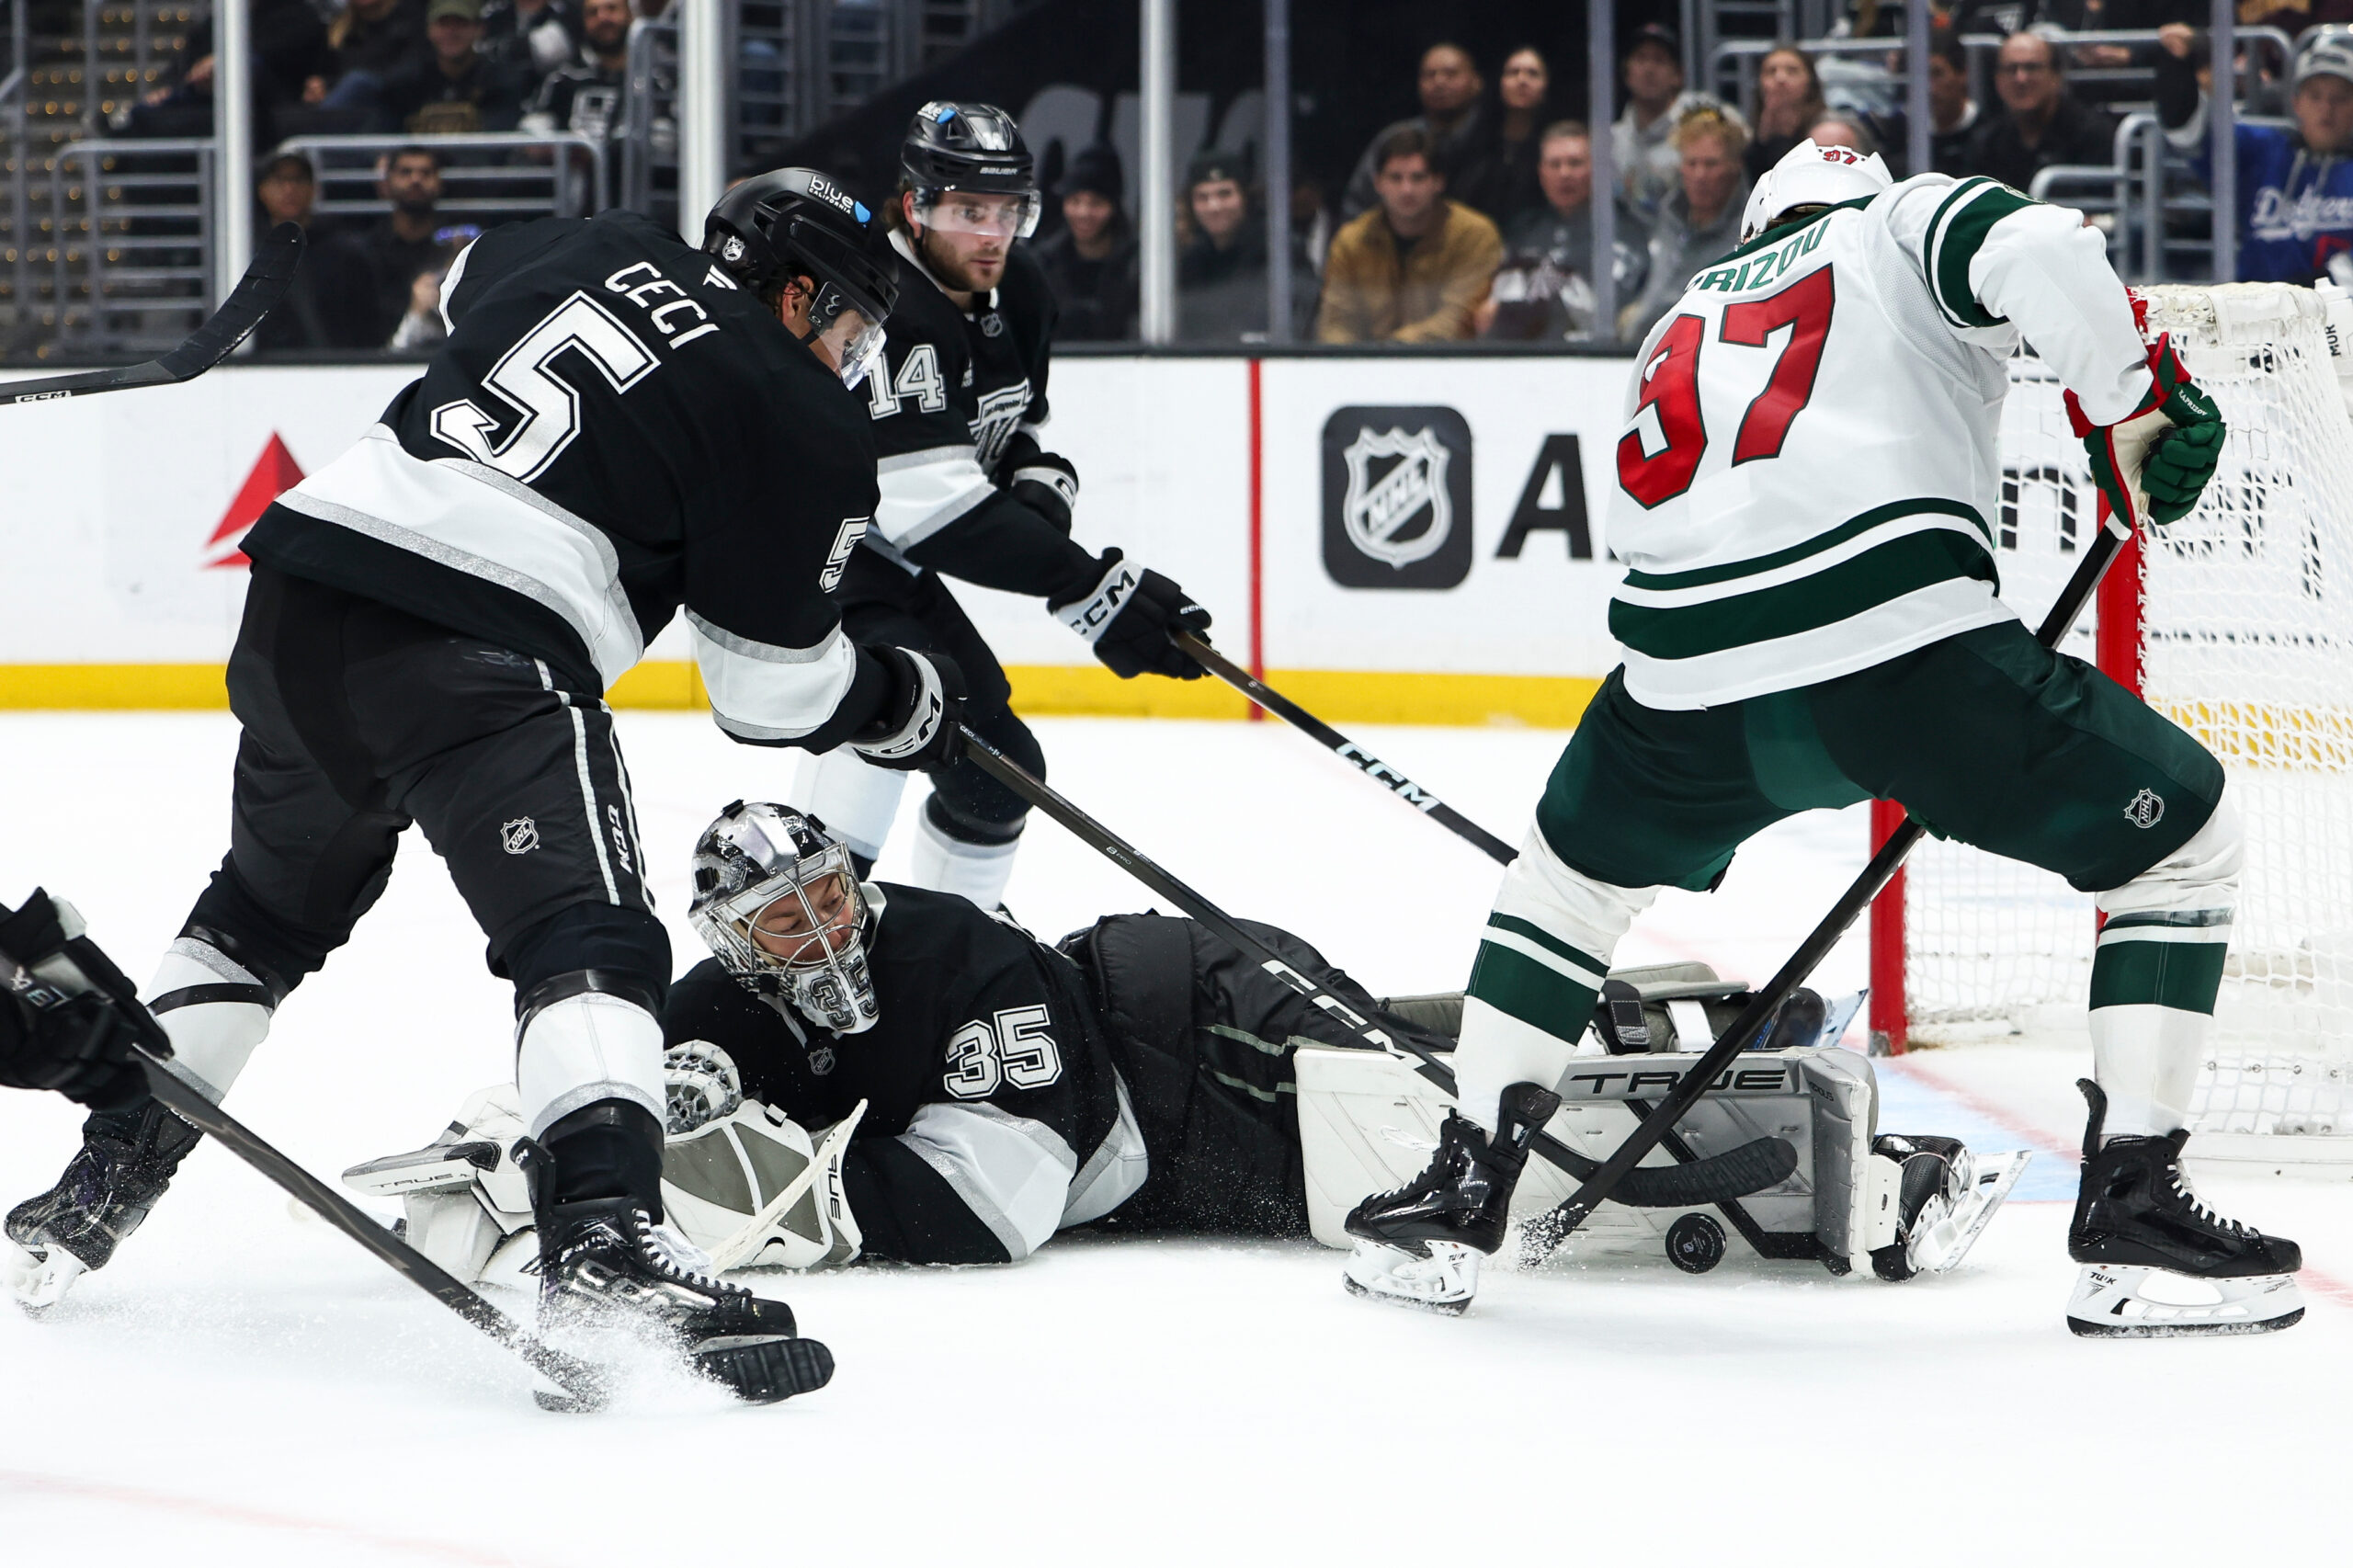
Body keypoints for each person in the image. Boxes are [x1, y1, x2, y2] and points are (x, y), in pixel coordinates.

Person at [4, 170, 957, 1405]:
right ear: (796, 290)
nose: (850, 356)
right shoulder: (798, 409)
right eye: (849, 326)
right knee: (592, 938)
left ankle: (104, 1176)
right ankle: (608, 1240)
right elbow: (767, 696)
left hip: (299, 597)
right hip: (482, 647)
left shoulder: (604, 239)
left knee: (261, 911)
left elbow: (449, 280)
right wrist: (894, 699)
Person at [1344, 140, 2293, 1340]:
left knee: (1566, 882)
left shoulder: (1685, 303)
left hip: (1682, 685)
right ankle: (2135, 1216)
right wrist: (2134, 402)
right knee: (2185, 842)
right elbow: (2045, 248)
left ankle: (1459, 1189)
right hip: (1899, 659)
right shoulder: (1894, 224)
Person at [349, 804, 2014, 1279]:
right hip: (1173, 1084)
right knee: (1436, 1095)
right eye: (781, 927)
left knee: (1448, 1147)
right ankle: (1667, 1016)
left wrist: (796, 1209)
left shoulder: (965, 960)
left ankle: (1831, 1146)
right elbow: (626, 1066)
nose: (823, 938)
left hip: (1208, 1047)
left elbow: (1001, 1207)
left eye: (832, 898)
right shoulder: (716, 1009)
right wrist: (552, 1154)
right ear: (735, 949)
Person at [789, 104, 1211, 911]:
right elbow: (935, 511)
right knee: (890, 725)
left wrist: (1036, 472)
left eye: (1008, 211)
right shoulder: (886, 307)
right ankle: (801, 951)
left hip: (890, 563)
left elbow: (1000, 429)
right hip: (821, 558)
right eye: (966, 211)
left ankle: (957, 945)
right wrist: (1089, 590)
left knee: (998, 776)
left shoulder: (1019, 289)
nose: (991, 233)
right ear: (914, 208)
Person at [2159, 24, 2353, 283]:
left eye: (2339, 98)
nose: (2326, 109)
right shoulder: (2264, 150)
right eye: (2315, 96)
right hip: (2255, 309)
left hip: (2338, 313)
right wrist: (2180, 66)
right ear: (2296, 102)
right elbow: (2186, 130)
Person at [1314, 126, 1504, 343]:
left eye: (1418, 178)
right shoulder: (1351, 241)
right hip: (1366, 368)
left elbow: (1458, 319)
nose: (1407, 190)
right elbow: (1336, 322)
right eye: (1396, 178)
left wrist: (1391, 350)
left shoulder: (1474, 235)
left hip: (1449, 365)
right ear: (1378, 183)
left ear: (1438, 182)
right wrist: (1352, 361)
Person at [1478, 120, 1648, 343]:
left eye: (1575, 163)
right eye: (1555, 164)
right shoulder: (1524, 230)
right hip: (1516, 356)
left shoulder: (1622, 232)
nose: (1564, 173)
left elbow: (1607, 312)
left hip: (1587, 358)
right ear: (1541, 173)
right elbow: (1490, 311)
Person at [1616, 107, 1749, 343]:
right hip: (1640, 349)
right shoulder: (1665, 219)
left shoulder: (1752, 230)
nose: (1700, 175)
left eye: (1711, 164)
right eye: (1692, 163)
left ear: (1734, 166)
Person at [310, 145, 465, 347]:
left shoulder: (454, 251)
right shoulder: (361, 255)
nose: (416, 180)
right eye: (405, 172)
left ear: (440, 182)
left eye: (425, 173)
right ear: (385, 184)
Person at [1342, 41, 1495, 222]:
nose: (1439, 82)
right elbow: (1356, 208)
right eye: (1429, 75)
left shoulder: (1497, 138)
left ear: (1477, 82)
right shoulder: (1395, 139)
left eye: (1451, 74)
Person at [1961, 29, 2117, 195]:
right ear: (1997, 80)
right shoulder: (1985, 143)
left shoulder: (2096, 135)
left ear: (2056, 77)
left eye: (2032, 68)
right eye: (2011, 69)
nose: (2021, 78)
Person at [1612, 23, 1733, 219]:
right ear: (1627, 74)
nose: (1649, 69)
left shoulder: (1706, 111)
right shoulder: (1612, 141)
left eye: (1659, 60)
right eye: (1640, 59)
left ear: (1678, 76)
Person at [1176, 150, 1293, 341]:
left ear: (1245, 197)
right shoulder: (1190, 262)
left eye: (1225, 194)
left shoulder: (1279, 250)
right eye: (1202, 197)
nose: (1214, 206)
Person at [1029, 144, 1139, 341]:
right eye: (1075, 201)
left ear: (1114, 207)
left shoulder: (1137, 266)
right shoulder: (1044, 263)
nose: (1084, 213)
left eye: (1096, 203)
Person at [380, 0, 529, 135]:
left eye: (461, 23)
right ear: (429, 29)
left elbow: (497, 145)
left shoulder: (500, 81)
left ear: (479, 29)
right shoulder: (404, 82)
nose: (451, 32)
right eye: (443, 24)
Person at [250, 153, 344, 352]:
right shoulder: (248, 252)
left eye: (298, 180)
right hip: (267, 366)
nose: (289, 189)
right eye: (279, 180)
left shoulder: (341, 252)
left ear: (313, 188)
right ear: (262, 190)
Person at [1456, 45, 1551, 224]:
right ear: (1500, 82)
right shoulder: (1472, 142)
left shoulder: (1554, 146)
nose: (1522, 80)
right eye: (1513, 72)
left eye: (1533, 73)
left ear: (1546, 86)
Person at [1745, 45, 1827, 184]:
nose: (1780, 78)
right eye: (1771, 71)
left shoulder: (1830, 128)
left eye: (1792, 71)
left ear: (1810, 81)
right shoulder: (1746, 134)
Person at [482, 0, 578, 84]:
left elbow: (549, 52)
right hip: (497, 91)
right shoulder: (494, 15)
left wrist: (502, 49)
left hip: (550, 89)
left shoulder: (565, 14)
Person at [1928, 31, 1982, 176]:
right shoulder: (1904, 138)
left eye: (1937, 74)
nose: (1929, 88)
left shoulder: (1990, 139)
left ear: (1963, 74)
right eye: (1921, 75)